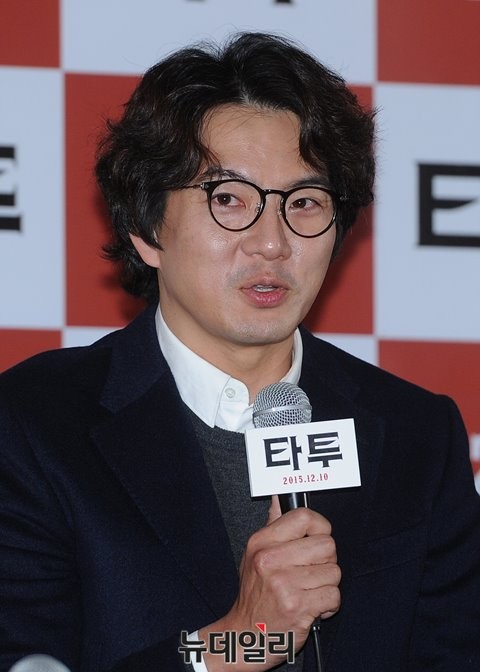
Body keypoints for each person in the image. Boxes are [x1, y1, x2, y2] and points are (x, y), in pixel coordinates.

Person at [0, 31, 479, 672]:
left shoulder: (417, 436)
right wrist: (244, 639)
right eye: (228, 199)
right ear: (146, 228)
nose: (272, 243)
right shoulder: (35, 423)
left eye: (304, 203)